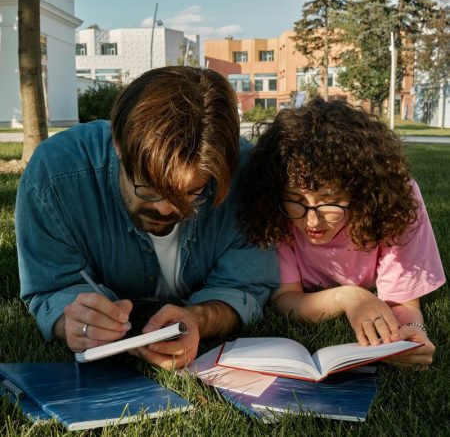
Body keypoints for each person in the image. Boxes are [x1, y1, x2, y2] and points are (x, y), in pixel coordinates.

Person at [16, 66, 279, 369]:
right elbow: (52, 287)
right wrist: (71, 320)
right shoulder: (55, 177)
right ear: (118, 143)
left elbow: (246, 286)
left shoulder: (247, 176)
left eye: (193, 192)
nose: (168, 210)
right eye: (150, 189)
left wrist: (198, 319)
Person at [239, 98, 445, 367]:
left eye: (328, 200)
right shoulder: (277, 210)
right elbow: (286, 299)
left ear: (361, 192)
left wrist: (411, 334)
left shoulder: (397, 203)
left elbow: (402, 303)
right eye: (296, 199)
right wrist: (348, 296)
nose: (311, 219)